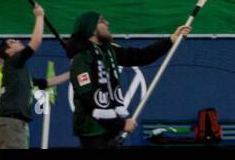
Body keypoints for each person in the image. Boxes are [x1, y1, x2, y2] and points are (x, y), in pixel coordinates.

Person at [66, 11, 190, 148]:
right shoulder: (82, 57)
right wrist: (122, 124)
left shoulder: (109, 50)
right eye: (102, 21)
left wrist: (171, 39)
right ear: (91, 28)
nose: (107, 23)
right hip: (92, 131)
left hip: (108, 128)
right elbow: (87, 99)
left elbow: (140, 56)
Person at [0, 2, 67, 149]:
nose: (18, 41)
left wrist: (74, 71)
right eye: (13, 42)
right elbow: (36, 41)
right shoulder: (13, 62)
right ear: (9, 52)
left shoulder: (18, 72)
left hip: (9, 122)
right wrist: (40, 16)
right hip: (10, 122)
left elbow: (47, 82)